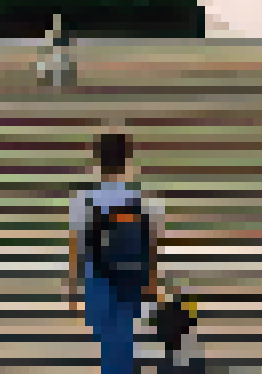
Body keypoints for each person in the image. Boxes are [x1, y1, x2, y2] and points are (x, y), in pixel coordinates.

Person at [71, 131, 163, 374]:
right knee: (123, 340)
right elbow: (150, 245)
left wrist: (73, 287)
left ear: (98, 160)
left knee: (109, 344)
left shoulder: (85, 199)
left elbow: (77, 248)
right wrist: (151, 282)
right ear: (126, 161)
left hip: (97, 280)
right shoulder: (139, 200)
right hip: (129, 279)